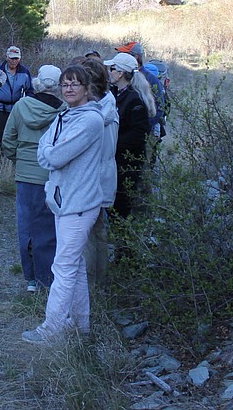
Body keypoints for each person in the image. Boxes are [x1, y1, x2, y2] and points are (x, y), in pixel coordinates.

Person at [21, 64, 113, 344]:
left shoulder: (90, 121)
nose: (69, 88)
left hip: (80, 203)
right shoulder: (64, 115)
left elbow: (55, 156)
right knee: (74, 265)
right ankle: (80, 326)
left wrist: (49, 153)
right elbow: (45, 149)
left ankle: (52, 329)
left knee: (62, 266)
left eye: (75, 84)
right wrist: (49, 153)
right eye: (65, 84)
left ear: (87, 89)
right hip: (63, 201)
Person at [1, 64, 65, 292]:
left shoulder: (21, 106)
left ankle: (30, 278)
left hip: (25, 175)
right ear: (58, 85)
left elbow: (8, 140)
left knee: (25, 226)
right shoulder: (64, 110)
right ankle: (46, 277)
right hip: (52, 176)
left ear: (37, 82)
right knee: (48, 228)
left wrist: (19, 161)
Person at [79, 57, 118, 287]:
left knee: (89, 235)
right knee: (97, 231)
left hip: (92, 180)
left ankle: (91, 286)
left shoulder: (95, 115)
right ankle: (98, 283)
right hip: (102, 177)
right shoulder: (109, 106)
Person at [104, 52, 153, 220]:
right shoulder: (112, 95)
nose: (109, 72)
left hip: (127, 165)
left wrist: (112, 144)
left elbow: (139, 134)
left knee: (121, 207)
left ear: (121, 73)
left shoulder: (134, 100)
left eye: (112, 68)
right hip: (114, 161)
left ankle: (122, 244)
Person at [116, 41, 164, 137]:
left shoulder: (150, 79)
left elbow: (160, 107)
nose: (119, 56)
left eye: (124, 54)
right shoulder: (118, 76)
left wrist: (143, 127)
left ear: (136, 57)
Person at [0, 45, 33, 142]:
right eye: (11, 58)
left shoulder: (24, 72)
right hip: (0, 109)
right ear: (6, 57)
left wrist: (26, 105)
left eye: (16, 58)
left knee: (16, 133)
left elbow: (30, 91)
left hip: (17, 109)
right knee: (0, 134)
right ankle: (0, 154)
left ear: (19, 58)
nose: (13, 61)